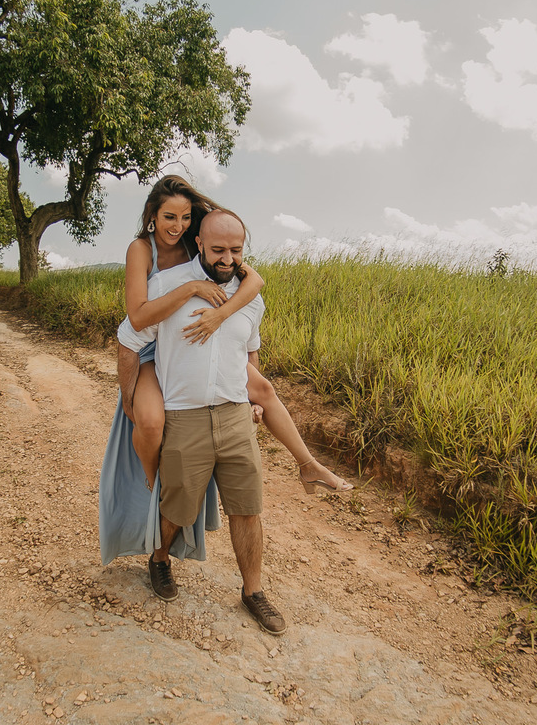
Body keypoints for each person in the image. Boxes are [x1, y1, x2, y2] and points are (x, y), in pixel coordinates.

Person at [97, 176, 350, 566]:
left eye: (184, 218)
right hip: (153, 340)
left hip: (202, 346)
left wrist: (220, 314)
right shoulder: (145, 254)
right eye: (168, 217)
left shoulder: (219, 259)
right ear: (152, 216)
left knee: (262, 390)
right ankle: (153, 484)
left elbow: (252, 301)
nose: (177, 225)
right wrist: (127, 393)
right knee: (147, 420)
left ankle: (308, 464)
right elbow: (135, 321)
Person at [118, 209, 286, 633]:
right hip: (185, 415)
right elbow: (130, 338)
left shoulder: (251, 294)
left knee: (247, 509)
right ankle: (159, 559)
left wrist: (255, 398)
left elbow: (251, 348)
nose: (228, 258)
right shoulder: (168, 286)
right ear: (198, 245)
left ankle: (253, 592)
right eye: (218, 250)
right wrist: (129, 396)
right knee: (178, 505)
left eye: (236, 249)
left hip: (233, 416)